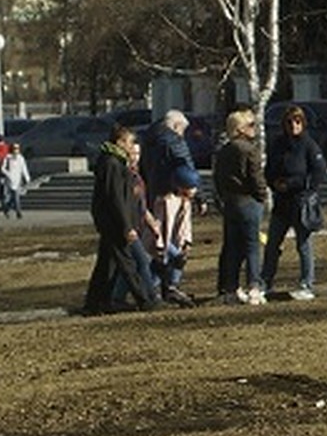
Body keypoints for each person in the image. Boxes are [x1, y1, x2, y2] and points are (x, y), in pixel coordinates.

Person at [83, 124, 159, 316]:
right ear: (120, 142)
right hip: (115, 224)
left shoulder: (114, 163)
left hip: (113, 222)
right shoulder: (112, 164)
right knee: (129, 263)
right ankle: (145, 299)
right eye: (129, 142)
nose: (131, 146)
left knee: (106, 265)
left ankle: (96, 303)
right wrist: (127, 226)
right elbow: (117, 198)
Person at [260, 104, 327, 300]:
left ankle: (307, 283)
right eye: (289, 122)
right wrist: (274, 183)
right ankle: (266, 281)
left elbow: (318, 172)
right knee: (273, 244)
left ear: (303, 123)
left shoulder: (309, 145)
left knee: (303, 244)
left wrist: (297, 185)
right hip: (281, 203)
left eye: (297, 122)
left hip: (301, 202)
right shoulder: (278, 144)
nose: (293, 126)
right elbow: (269, 169)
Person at [140, 109, 202, 305]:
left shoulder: (149, 138)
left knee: (159, 242)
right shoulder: (174, 141)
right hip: (172, 195)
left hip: (155, 193)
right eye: (182, 130)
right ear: (176, 127)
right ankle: (166, 286)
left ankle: (158, 288)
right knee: (170, 245)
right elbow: (187, 168)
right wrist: (198, 194)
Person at [213, 107, 267, 305]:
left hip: (231, 202)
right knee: (252, 246)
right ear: (241, 129)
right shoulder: (249, 150)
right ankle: (254, 285)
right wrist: (262, 196)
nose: (255, 128)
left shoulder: (224, 150)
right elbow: (255, 177)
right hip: (248, 201)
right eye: (251, 125)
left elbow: (218, 178)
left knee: (232, 246)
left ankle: (230, 288)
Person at [1, 142, 31, 219]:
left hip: (18, 180)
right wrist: (8, 174)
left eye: (17, 148)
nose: (16, 150)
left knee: (15, 197)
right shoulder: (8, 158)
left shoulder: (21, 158)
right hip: (10, 181)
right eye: (15, 148)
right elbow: (2, 169)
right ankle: (14, 211)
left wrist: (27, 178)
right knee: (13, 197)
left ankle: (13, 210)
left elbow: (24, 169)